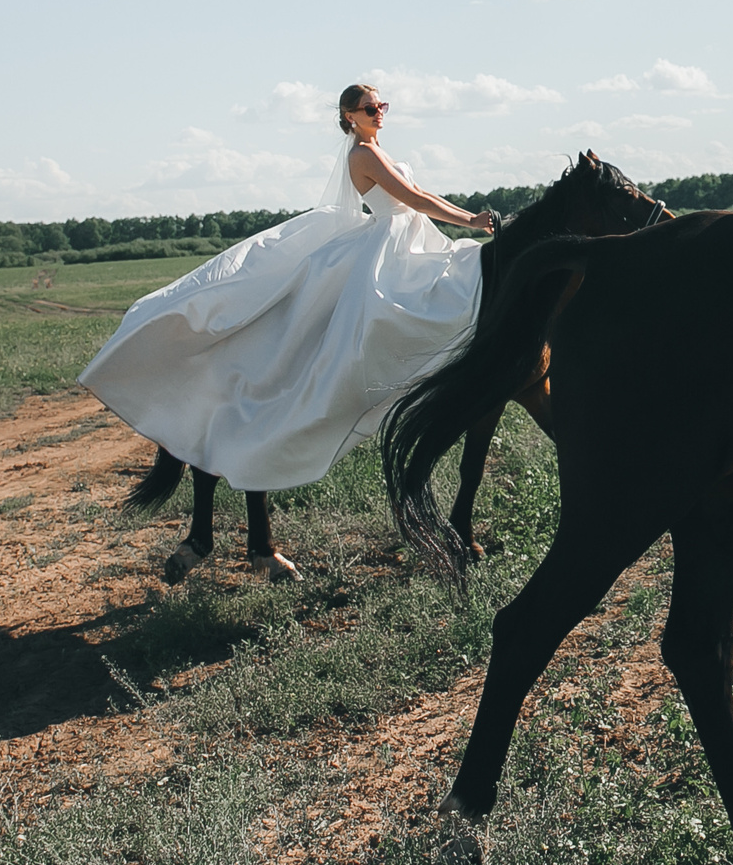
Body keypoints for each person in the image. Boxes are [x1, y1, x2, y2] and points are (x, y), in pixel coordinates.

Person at [79, 83, 497, 580]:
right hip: (386, 250)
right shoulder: (362, 154)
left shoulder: (379, 148)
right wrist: (470, 220)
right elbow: (410, 197)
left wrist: (466, 221)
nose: (379, 112)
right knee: (395, 312)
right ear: (349, 116)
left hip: (408, 240)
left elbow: (418, 197)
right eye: (370, 107)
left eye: (383, 105)